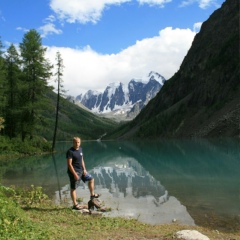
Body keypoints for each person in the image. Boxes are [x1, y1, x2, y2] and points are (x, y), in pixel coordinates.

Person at [66, 136, 100, 210]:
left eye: (78, 142)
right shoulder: (70, 151)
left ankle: (92, 195)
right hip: (74, 172)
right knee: (73, 188)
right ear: (73, 142)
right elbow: (69, 164)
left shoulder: (80, 149)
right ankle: (75, 204)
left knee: (91, 179)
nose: (77, 144)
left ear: (80, 142)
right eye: (75, 142)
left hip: (81, 170)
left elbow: (82, 160)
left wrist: (84, 169)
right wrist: (75, 174)